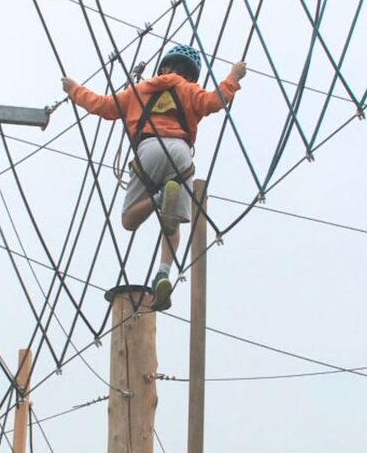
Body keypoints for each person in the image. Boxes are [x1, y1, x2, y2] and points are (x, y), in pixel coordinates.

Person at [61, 44, 247, 311]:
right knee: (171, 225)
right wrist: (234, 76)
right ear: (192, 76)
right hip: (181, 154)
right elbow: (214, 101)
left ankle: (159, 197)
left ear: (163, 68)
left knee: (129, 221)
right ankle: (163, 272)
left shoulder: (139, 91)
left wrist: (73, 89)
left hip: (148, 149)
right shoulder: (190, 89)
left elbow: (102, 106)